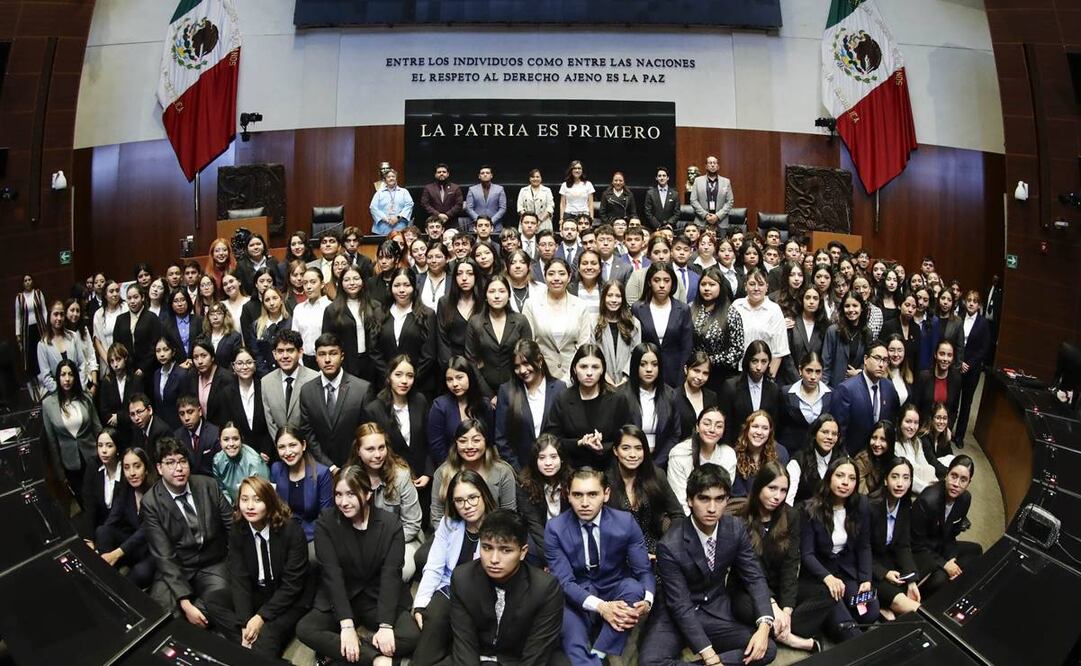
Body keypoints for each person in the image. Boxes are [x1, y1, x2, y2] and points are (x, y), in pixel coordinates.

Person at [640, 462, 776, 666]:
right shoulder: (669, 545)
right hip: (674, 614)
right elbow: (680, 605)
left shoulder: (735, 528)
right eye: (704, 499)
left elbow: (754, 577)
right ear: (689, 500)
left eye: (719, 499)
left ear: (727, 500)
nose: (712, 508)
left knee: (766, 649)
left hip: (714, 609)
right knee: (649, 663)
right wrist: (710, 657)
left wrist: (764, 626)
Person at [295, 466, 418, 665]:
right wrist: (346, 626)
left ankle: (343, 651)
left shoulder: (390, 524)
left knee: (411, 636)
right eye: (338, 494)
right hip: (342, 595)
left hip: (377, 595)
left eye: (351, 494)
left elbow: (391, 574)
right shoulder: (326, 522)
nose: (343, 502)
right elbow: (332, 574)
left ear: (367, 494)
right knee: (305, 629)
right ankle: (375, 659)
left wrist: (385, 626)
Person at [545, 467, 655, 664]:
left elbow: (643, 570)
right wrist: (602, 607)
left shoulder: (625, 522)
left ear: (606, 494)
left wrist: (647, 601)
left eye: (592, 494)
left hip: (615, 588)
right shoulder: (555, 528)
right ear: (568, 495)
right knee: (573, 641)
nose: (584, 503)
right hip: (576, 597)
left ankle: (599, 654)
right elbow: (565, 582)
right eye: (577, 495)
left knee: (634, 589)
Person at [731, 463, 833, 652]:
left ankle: (778, 628)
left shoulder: (791, 515)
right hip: (748, 589)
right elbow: (749, 571)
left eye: (783, 490)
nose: (777, 496)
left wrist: (786, 609)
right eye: (772, 488)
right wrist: (772, 605)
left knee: (826, 592)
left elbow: (791, 564)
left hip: (778, 586)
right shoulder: (740, 518)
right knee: (742, 607)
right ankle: (794, 640)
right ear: (759, 486)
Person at [448, 509, 566, 665]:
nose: (494, 559)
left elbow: (535, 657)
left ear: (523, 552)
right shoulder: (462, 579)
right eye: (487, 547)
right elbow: (465, 646)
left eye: (505, 550)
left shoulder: (545, 588)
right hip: (478, 657)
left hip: (519, 659)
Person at [143, 437, 233, 629]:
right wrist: (184, 602)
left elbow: (233, 528)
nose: (179, 468)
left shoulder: (208, 485)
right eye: (170, 462)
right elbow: (164, 555)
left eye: (182, 461)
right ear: (159, 468)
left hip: (213, 562)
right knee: (162, 612)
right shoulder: (151, 502)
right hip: (178, 566)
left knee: (216, 602)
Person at [411, 469, 497, 665]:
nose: (467, 506)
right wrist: (421, 604)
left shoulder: (498, 524)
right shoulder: (448, 522)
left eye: (473, 497)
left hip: (482, 596)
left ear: (484, 495)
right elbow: (434, 566)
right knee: (431, 629)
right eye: (459, 500)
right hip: (449, 589)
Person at [224, 476, 311, 656]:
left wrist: (260, 617)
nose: (249, 506)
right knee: (213, 600)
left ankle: (261, 641)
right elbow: (239, 579)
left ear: (270, 502)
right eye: (244, 499)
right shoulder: (238, 529)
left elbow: (292, 586)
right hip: (260, 592)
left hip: (290, 598)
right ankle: (247, 640)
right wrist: (244, 623)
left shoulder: (291, 530)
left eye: (257, 500)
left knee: (267, 636)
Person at [799, 456, 880, 641]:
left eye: (852, 478)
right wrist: (827, 578)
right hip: (821, 576)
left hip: (845, 571)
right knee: (846, 627)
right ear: (829, 477)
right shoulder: (810, 508)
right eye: (840, 476)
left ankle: (834, 614)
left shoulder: (861, 504)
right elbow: (807, 554)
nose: (845, 483)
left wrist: (865, 579)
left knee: (870, 612)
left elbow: (864, 546)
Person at [349, 423, 423, 582]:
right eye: (370, 449)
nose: (378, 454)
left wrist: (382, 544)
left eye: (381, 448)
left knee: (401, 569)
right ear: (358, 450)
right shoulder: (350, 478)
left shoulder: (401, 476)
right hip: (362, 541)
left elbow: (412, 523)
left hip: (402, 539)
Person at [543, 344, 628, 470]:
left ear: (602, 370)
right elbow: (551, 439)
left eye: (595, 367)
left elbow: (626, 439)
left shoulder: (617, 399)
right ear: (574, 369)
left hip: (609, 469)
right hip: (571, 469)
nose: (589, 373)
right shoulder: (563, 399)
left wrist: (603, 448)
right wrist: (579, 443)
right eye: (583, 367)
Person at [910, 455, 983, 596]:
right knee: (941, 578)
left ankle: (951, 583)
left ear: (969, 482)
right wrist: (944, 564)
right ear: (947, 474)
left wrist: (951, 558)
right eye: (953, 476)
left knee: (976, 550)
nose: (956, 484)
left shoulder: (965, 499)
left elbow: (952, 535)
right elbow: (915, 544)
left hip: (941, 545)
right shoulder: (927, 500)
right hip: (920, 550)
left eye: (963, 480)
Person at [299, 333, 374, 470]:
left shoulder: (362, 389)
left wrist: (351, 466)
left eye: (333, 353)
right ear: (316, 358)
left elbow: (366, 433)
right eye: (322, 354)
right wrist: (330, 467)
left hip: (355, 467)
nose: (327, 359)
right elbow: (307, 433)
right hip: (320, 468)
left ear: (342, 356)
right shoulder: (307, 391)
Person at [606, 425, 683, 556]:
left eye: (638, 448)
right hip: (619, 552)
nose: (633, 455)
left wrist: (667, 546)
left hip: (657, 549)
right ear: (615, 450)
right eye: (626, 448)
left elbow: (678, 515)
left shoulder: (657, 475)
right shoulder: (606, 480)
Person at [430, 419, 517, 527]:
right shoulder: (443, 473)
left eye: (476, 440)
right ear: (456, 443)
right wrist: (445, 536)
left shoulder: (503, 472)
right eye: (463, 441)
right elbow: (437, 515)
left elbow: (509, 516)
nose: (469, 446)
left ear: (486, 442)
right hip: (452, 533)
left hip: (495, 533)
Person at [91, 446, 157, 588]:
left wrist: (116, 554)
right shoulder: (125, 490)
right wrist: (98, 549)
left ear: (146, 468)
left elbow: (145, 531)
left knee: (140, 572)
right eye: (127, 468)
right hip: (133, 546)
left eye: (137, 466)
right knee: (102, 530)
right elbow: (112, 519)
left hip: (153, 548)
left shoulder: (156, 492)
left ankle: (118, 589)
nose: (132, 473)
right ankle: (107, 578)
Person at [363, 354, 432, 491]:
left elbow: (429, 440)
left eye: (410, 376)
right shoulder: (374, 410)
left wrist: (428, 473)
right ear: (389, 377)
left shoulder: (420, 401)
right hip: (390, 481)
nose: (404, 381)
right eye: (398, 375)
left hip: (421, 479)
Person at [495, 340, 566, 469]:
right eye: (517, 366)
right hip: (521, 469)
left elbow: (563, 433)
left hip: (554, 469)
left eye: (526, 363)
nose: (522, 370)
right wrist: (519, 471)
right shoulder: (506, 391)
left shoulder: (559, 389)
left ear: (539, 360)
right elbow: (501, 438)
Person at [523, 258, 593, 383]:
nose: (556, 278)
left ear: (569, 277)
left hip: (574, 376)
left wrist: (569, 378)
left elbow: (583, 345)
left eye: (561, 274)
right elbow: (529, 345)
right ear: (545, 277)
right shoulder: (531, 305)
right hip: (541, 376)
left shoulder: (580, 306)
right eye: (551, 274)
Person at [371, 268, 437, 398]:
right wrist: (390, 378)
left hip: (419, 386)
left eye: (406, 285)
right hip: (385, 385)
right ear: (391, 287)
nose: (401, 290)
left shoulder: (427, 315)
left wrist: (410, 378)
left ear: (414, 287)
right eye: (397, 285)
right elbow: (374, 350)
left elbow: (429, 355)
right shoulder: (379, 313)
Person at [869, 457, 922, 618]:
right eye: (895, 477)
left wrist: (911, 579)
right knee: (905, 603)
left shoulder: (904, 504)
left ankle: (885, 606)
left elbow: (903, 545)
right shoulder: (870, 506)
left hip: (887, 559)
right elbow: (859, 550)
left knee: (921, 573)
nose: (900, 484)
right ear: (885, 480)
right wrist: (884, 573)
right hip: (868, 566)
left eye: (906, 478)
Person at [42, 360, 102, 499]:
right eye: (63, 374)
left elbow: (97, 428)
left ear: (75, 377)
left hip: (92, 457)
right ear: (57, 378)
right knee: (83, 500)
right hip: (70, 464)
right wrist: (60, 474)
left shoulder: (86, 398)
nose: (67, 379)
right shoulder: (48, 404)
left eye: (70, 374)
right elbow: (52, 442)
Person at [467, 274, 534, 396]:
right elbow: (471, 361)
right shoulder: (475, 322)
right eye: (492, 291)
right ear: (485, 296)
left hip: (517, 388)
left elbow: (529, 357)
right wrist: (489, 395)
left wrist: (515, 389)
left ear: (509, 295)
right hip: (483, 390)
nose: (497, 296)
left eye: (502, 291)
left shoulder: (520, 321)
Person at [617, 342, 683, 465]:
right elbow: (615, 434)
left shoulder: (670, 395)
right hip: (627, 461)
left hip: (660, 462)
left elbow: (675, 434)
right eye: (643, 364)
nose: (649, 369)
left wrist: (657, 464)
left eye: (654, 364)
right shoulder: (621, 395)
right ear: (635, 365)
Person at [832, 340, 900, 456]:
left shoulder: (889, 387)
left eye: (885, 360)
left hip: (880, 456)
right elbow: (838, 431)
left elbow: (892, 422)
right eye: (877, 358)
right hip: (852, 456)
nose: (881, 364)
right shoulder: (847, 389)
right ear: (865, 359)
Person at [270, 425, 332, 550]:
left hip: (312, 535)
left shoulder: (321, 473)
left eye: (292, 445)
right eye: (282, 447)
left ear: (303, 445)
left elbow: (326, 517)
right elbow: (274, 508)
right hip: (283, 532)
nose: (288, 452)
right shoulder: (276, 469)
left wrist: (297, 534)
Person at [633, 262, 694, 388]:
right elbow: (634, 346)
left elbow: (687, 348)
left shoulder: (683, 309)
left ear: (672, 283)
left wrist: (682, 379)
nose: (662, 285)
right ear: (649, 282)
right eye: (656, 280)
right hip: (646, 371)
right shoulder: (638, 308)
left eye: (666, 280)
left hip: (675, 373)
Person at [428, 356, 494, 466]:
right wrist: (451, 469)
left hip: (482, 465)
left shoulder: (484, 404)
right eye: (449, 379)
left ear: (470, 377)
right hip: (451, 466)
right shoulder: (439, 406)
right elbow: (437, 446)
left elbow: (490, 439)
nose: (454, 384)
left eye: (459, 377)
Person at [516, 433, 571, 564]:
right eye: (542, 457)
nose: (548, 463)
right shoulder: (524, 483)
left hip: (566, 535)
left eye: (553, 457)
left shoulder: (572, 480)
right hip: (540, 536)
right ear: (535, 461)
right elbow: (534, 525)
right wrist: (551, 559)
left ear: (561, 459)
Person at [321, 265, 381, 384]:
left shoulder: (375, 306)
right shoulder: (332, 310)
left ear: (363, 281)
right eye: (347, 280)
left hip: (371, 365)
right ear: (341, 283)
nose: (352, 283)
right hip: (345, 364)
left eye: (356, 278)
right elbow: (327, 341)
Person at [719, 341, 784, 445]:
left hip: (763, 446)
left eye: (764, 361)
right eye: (754, 361)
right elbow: (726, 424)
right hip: (736, 446)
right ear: (747, 361)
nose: (759, 367)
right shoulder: (731, 387)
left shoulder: (773, 389)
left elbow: (774, 425)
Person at [260, 328, 319, 439]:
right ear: (274, 354)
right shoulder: (266, 382)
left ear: (300, 352)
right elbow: (270, 421)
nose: (285, 356)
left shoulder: (314, 379)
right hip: (280, 446)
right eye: (280, 351)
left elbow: (317, 420)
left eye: (290, 350)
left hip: (309, 445)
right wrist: (282, 445)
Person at [732, 269, 790, 378]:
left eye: (761, 284)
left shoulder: (774, 310)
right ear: (745, 286)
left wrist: (769, 379)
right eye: (752, 284)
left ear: (767, 287)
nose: (756, 288)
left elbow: (779, 351)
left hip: (763, 372)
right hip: (737, 371)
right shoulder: (736, 306)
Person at [778, 352, 832, 454]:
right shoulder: (786, 393)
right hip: (791, 451)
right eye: (809, 371)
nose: (813, 376)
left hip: (818, 452)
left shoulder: (830, 394)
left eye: (818, 372)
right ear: (800, 370)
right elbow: (779, 425)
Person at [955, 290, 991, 444]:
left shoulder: (983, 323)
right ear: (965, 302)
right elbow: (954, 341)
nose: (971, 303)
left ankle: (959, 436)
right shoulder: (958, 317)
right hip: (957, 365)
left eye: (975, 301)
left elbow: (984, 348)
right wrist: (959, 361)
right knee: (953, 400)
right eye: (969, 300)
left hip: (972, 369)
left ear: (979, 305)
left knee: (966, 403)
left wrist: (969, 364)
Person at [593, 280, 641, 389]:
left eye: (618, 296)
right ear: (603, 298)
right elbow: (592, 354)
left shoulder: (633, 323)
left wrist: (624, 380)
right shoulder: (593, 323)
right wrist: (607, 380)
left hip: (627, 384)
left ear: (623, 299)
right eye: (610, 295)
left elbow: (636, 353)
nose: (614, 300)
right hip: (600, 383)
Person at [437, 257, 484, 367]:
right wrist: (450, 366)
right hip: (452, 364)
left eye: (469, 273)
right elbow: (442, 338)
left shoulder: (484, 302)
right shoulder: (444, 302)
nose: (464, 278)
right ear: (454, 277)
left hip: (480, 364)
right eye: (459, 274)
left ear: (476, 276)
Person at [912, 339, 962, 434]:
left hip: (943, 430)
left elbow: (954, 410)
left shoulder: (956, 379)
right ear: (935, 355)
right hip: (923, 429)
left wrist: (948, 429)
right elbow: (916, 406)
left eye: (949, 355)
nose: (945, 359)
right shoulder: (923, 377)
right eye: (942, 354)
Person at [37, 300, 87, 392]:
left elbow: (82, 364)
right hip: (56, 392)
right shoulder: (42, 345)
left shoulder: (73, 337)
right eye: (56, 314)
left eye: (62, 314)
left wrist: (80, 386)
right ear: (49, 316)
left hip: (77, 389)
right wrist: (61, 392)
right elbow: (46, 376)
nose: (59, 318)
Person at [80, 428, 122, 537]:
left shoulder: (126, 469)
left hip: (123, 527)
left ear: (117, 448)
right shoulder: (93, 466)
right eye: (100, 445)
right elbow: (89, 505)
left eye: (109, 446)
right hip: (102, 528)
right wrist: (89, 537)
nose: (103, 450)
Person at [821, 294, 870, 387]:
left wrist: (860, 372)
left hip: (857, 386)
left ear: (862, 308)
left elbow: (868, 360)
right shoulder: (833, 331)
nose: (851, 309)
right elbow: (826, 364)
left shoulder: (867, 333)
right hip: (835, 387)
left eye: (855, 306)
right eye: (847, 306)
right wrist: (824, 389)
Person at [894, 403, 941, 494]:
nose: (912, 427)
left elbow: (925, 465)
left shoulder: (917, 442)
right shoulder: (895, 446)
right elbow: (907, 478)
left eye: (916, 423)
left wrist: (937, 484)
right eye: (908, 421)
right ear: (900, 422)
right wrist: (929, 489)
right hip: (906, 489)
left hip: (922, 483)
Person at [291, 268, 332, 368]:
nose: (308, 287)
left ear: (322, 284)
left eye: (313, 282)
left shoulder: (330, 307)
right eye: (305, 283)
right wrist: (299, 360)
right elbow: (295, 338)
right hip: (304, 360)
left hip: (326, 358)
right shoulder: (299, 309)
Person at [150, 336, 193, 431]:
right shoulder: (156, 374)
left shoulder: (182, 374)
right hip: (161, 426)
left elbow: (185, 404)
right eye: (158, 351)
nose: (162, 354)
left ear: (173, 352)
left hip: (179, 426)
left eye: (166, 350)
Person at [190, 338, 235, 427]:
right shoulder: (192, 376)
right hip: (202, 430)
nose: (199, 361)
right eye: (196, 357)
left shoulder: (227, 378)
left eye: (204, 356)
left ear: (212, 357)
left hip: (222, 428)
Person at [250, 286, 291, 377]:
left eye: (275, 298)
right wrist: (266, 376)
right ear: (263, 304)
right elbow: (257, 354)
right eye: (267, 300)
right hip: (265, 374)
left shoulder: (290, 322)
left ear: (281, 300)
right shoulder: (257, 325)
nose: (271, 303)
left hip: (288, 372)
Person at [688, 155, 735, 228]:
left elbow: (730, 201)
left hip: (721, 222)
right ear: (706, 166)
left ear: (718, 166)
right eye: (710, 163)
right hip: (701, 221)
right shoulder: (698, 181)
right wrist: (705, 215)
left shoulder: (726, 182)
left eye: (714, 163)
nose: (712, 165)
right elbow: (693, 200)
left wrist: (717, 216)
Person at [852, 420, 896, 495]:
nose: (877, 444)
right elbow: (861, 494)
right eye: (874, 438)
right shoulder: (862, 460)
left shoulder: (894, 462)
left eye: (883, 439)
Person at [369, 168, 414, 235]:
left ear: (396, 178)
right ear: (385, 180)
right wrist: (386, 219)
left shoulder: (404, 192)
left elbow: (409, 205)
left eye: (393, 176)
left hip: (400, 228)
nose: (391, 178)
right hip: (382, 228)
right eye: (388, 177)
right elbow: (373, 208)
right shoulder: (379, 193)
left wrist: (398, 217)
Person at [466, 165, 508, 232]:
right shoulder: (472, 189)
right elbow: (469, 208)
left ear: (491, 175)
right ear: (479, 176)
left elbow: (502, 208)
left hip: (495, 226)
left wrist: (491, 221)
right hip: (476, 227)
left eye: (487, 173)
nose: (485, 175)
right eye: (482, 173)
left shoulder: (500, 189)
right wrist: (479, 220)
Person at [201, 301, 243, 368]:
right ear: (208, 317)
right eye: (211, 314)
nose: (215, 317)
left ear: (225, 316)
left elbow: (237, 361)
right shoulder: (203, 337)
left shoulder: (234, 337)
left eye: (219, 313)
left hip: (227, 373)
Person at [644, 166, 680, 231]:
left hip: (670, 228)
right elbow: (648, 212)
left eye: (664, 175)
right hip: (654, 228)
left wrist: (669, 224)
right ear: (656, 178)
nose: (662, 178)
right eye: (659, 176)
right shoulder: (650, 193)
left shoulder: (675, 194)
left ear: (668, 178)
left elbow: (677, 213)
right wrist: (658, 226)